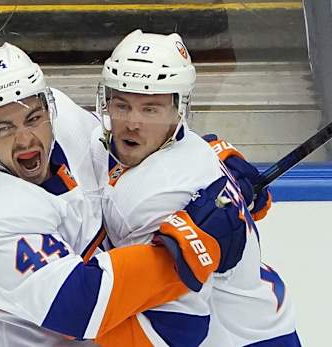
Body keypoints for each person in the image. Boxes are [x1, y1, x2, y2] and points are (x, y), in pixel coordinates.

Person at [0, 42, 247, 346]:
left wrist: (204, 161)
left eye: (33, 118)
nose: (25, 138)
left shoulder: (65, 121)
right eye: (3, 128)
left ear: (48, 106)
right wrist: (187, 248)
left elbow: (120, 151)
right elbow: (79, 306)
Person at [93, 29, 301, 346]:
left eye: (150, 109)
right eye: (122, 105)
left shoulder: (151, 196)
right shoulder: (192, 150)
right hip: (265, 321)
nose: (132, 123)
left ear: (178, 110)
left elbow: (175, 328)